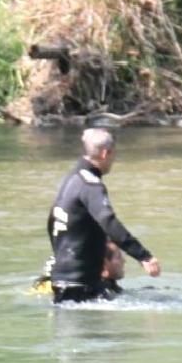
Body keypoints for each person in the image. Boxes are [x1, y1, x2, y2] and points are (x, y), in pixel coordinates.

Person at [45, 128, 160, 303]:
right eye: (114, 156)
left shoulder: (71, 180)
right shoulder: (91, 185)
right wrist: (143, 256)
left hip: (64, 281)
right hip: (81, 286)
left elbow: (52, 220)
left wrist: (62, 258)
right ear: (105, 153)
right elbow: (108, 221)